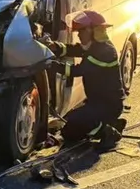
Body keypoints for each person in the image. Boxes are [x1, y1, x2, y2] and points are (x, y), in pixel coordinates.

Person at [46, 10, 126, 150]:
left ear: (92, 30)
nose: (78, 35)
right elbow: (76, 50)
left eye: (81, 31)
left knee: (76, 122)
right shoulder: (96, 46)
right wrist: (56, 47)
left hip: (108, 106)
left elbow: (77, 71)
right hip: (97, 103)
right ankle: (110, 124)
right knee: (69, 132)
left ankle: (108, 132)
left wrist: (51, 65)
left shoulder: (105, 52)